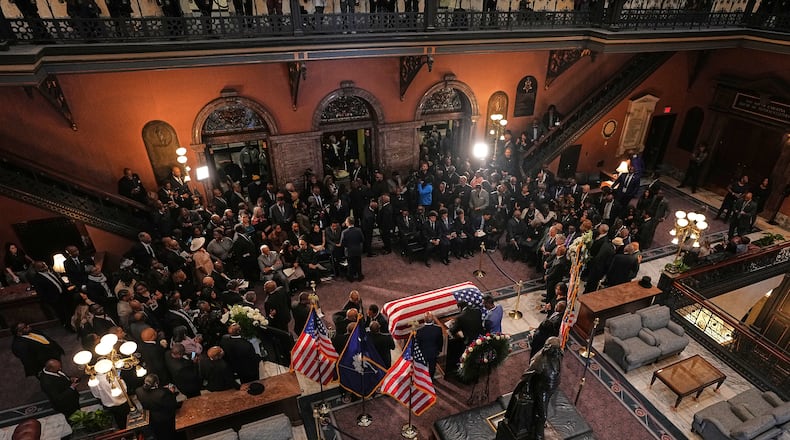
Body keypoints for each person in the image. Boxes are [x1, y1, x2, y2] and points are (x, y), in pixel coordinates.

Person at [135, 374, 180, 440]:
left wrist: (162, 388)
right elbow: (172, 405)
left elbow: (152, 393)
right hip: (165, 418)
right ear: (156, 383)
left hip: (151, 418)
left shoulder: (138, 391)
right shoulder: (162, 394)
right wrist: (172, 392)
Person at [415, 313, 443, 378]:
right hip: (434, 352)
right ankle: (431, 379)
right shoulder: (438, 329)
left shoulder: (419, 331)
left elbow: (418, 343)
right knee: (432, 367)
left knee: (423, 366)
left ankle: (423, 379)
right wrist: (439, 350)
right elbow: (440, 341)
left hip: (423, 353)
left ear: (424, 320)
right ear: (433, 319)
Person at [339, 216, 365, 282]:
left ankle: (351, 278)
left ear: (348, 223)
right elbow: (362, 239)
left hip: (349, 251)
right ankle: (359, 276)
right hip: (357, 250)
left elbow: (342, 243)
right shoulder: (359, 230)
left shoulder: (344, 232)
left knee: (350, 264)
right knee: (358, 263)